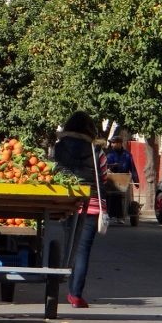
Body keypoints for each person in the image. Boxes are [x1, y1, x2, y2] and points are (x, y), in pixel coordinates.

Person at [53, 110, 107, 309]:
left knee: (71, 246)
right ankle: (76, 295)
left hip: (69, 203)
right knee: (83, 250)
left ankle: (69, 289)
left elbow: (54, 171)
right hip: (91, 204)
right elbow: (103, 178)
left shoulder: (58, 148)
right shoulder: (96, 151)